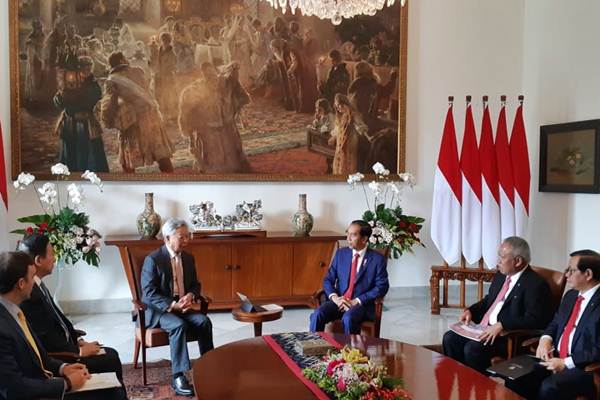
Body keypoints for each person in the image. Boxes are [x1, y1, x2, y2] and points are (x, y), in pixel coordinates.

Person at [0, 251, 127, 400]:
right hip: (37, 394)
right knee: (113, 393)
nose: (34, 282)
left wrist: (64, 368)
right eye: (31, 277)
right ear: (21, 284)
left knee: (113, 387)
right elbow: (13, 388)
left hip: (45, 383)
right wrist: (66, 383)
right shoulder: (3, 326)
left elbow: (41, 357)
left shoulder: (14, 311)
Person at [18, 234, 124, 382]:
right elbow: (47, 339)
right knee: (110, 358)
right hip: (62, 358)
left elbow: (58, 322)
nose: (55, 258)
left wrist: (78, 340)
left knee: (110, 354)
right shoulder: (31, 296)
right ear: (38, 260)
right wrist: (79, 351)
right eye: (52, 254)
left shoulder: (38, 285)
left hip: (68, 347)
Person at [442, 236, 552, 373]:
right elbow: (489, 301)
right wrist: (470, 311)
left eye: (502, 257)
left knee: (472, 349)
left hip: (506, 337)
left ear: (518, 261)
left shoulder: (535, 285)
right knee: (449, 339)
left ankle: (479, 388)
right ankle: (458, 380)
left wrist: (503, 324)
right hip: (484, 329)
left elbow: (535, 319)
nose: (497, 261)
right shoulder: (501, 275)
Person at [507, 250, 600, 400]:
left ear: (588, 274)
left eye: (571, 270)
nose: (566, 275)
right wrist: (545, 339)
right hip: (555, 358)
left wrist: (566, 363)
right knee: (515, 375)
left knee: (550, 387)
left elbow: (597, 350)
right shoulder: (571, 296)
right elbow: (556, 322)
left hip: (585, 368)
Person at [141, 218, 214, 397]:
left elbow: (195, 285)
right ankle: (178, 376)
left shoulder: (188, 258)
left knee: (204, 321)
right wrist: (172, 305)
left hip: (183, 307)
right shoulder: (154, 260)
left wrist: (190, 296)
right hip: (161, 310)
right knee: (177, 325)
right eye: (181, 237)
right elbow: (148, 293)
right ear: (167, 238)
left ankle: (209, 366)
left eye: (187, 236)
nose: (186, 241)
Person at [309, 220, 389, 334]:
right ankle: (313, 347)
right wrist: (335, 298)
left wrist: (356, 301)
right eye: (348, 233)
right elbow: (328, 279)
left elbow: (382, 287)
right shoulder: (341, 254)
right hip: (339, 301)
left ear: (364, 239)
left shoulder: (377, 259)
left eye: (353, 235)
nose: (348, 238)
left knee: (348, 318)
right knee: (318, 314)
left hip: (361, 305)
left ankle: (349, 351)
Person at [100, 51, 175, 173]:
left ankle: (131, 185)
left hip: (131, 121)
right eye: (125, 58)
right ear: (121, 61)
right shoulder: (138, 71)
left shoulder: (111, 81)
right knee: (161, 154)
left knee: (129, 160)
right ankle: (172, 181)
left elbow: (108, 104)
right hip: (150, 117)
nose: (127, 59)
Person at [53, 55, 109, 173]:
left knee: (88, 152)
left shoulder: (93, 84)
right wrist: (61, 96)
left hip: (85, 122)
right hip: (70, 123)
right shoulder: (69, 82)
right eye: (84, 67)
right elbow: (58, 102)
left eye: (89, 67)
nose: (87, 69)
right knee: (70, 151)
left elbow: (91, 101)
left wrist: (72, 104)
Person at [330, 93, 368, 175]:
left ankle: (348, 175)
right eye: (337, 107)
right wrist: (333, 137)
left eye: (340, 105)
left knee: (349, 158)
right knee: (339, 156)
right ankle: (339, 174)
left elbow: (360, 126)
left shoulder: (353, 115)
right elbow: (337, 129)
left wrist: (363, 132)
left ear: (346, 104)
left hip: (350, 140)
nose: (339, 108)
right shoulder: (341, 116)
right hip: (341, 140)